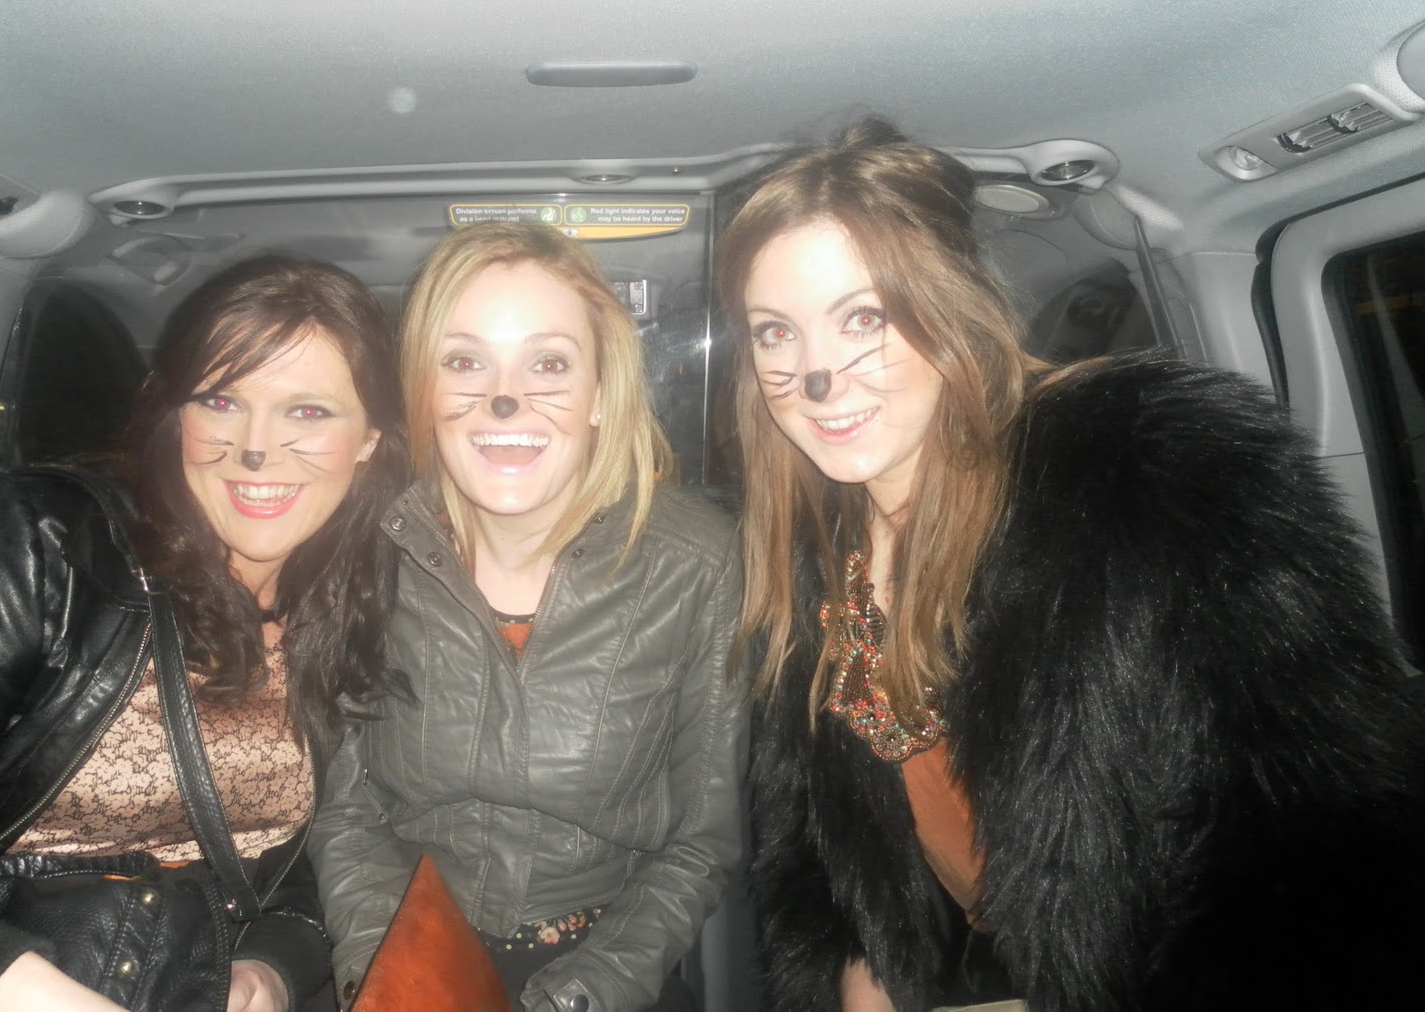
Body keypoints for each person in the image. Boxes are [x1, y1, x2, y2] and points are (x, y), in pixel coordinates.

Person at [719, 118, 1425, 1011]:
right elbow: (818, 833)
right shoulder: (811, 547)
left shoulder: (1156, 477)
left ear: (951, 303)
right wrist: (858, 968)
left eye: (864, 317)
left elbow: (1319, 856)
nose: (816, 377)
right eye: (774, 333)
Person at [0, 255, 409, 1012]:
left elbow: (309, 850)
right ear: (177, 415)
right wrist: (7, 986)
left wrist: (271, 965)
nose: (255, 449)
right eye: (221, 400)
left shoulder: (355, 608)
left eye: (308, 412)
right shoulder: (36, 544)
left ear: (369, 438)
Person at [311, 221, 747, 1012]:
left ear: (601, 395)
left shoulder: (699, 563)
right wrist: (396, 980)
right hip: (412, 947)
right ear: (424, 391)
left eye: (548, 363)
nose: (502, 398)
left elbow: (700, 841)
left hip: (607, 969)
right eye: (464, 361)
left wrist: (580, 995)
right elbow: (345, 811)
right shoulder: (365, 549)